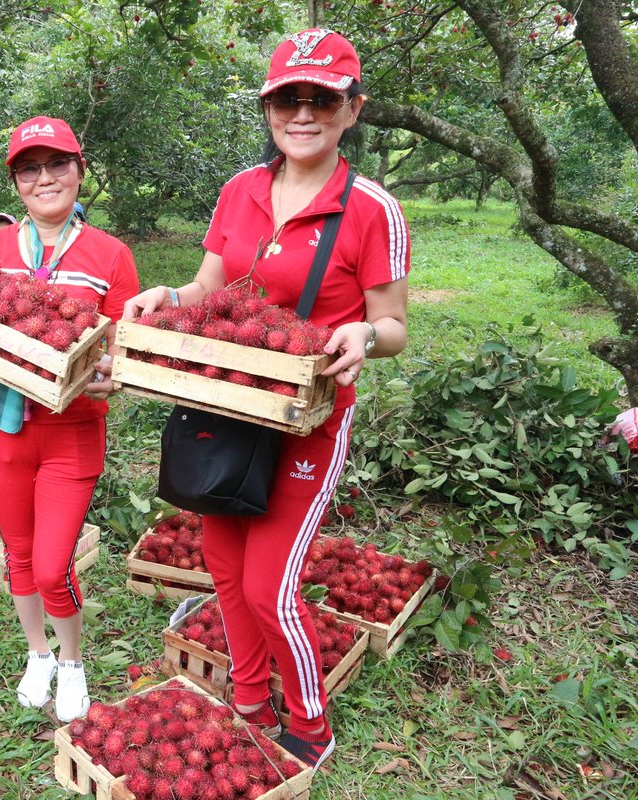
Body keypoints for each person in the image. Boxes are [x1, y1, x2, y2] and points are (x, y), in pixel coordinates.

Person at [124, 29, 409, 768]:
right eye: (288, 97)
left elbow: (394, 325)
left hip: (310, 422)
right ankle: (248, 698)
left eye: (322, 97)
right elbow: (208, 289)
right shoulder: (240, 192)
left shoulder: (372, 209)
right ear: (269, 108)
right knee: (222, 564)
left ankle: (310, 725)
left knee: (268, 586)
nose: (303, 112)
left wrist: (362, 338)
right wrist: (168, 295)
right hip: (228, 409)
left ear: (353, 109)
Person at [0, 116, 139, 722]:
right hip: (0, 425)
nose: (46, 179)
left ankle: (70, 661)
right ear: (16, 182)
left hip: (70, 431)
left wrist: (110, 371)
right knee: (19, 554)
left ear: (80, 170)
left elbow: (121, 347)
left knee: (50, 563)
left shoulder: (110, 254)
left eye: (58, 165)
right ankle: (37, 653)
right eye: (30, 168)